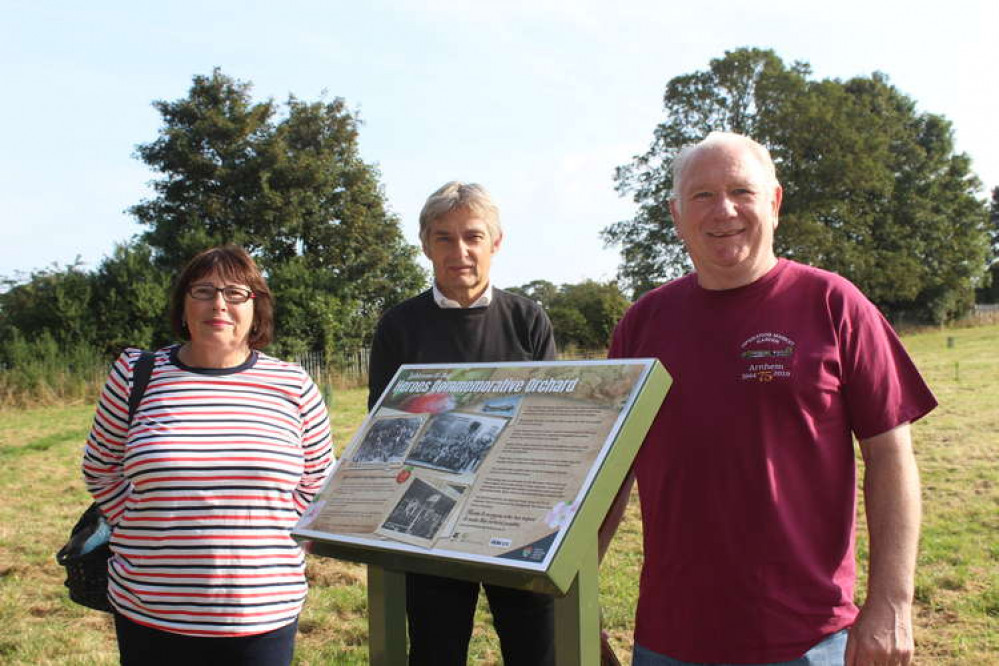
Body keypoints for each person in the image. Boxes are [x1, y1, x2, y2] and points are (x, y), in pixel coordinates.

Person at [605, 132, 937, 666]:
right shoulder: (642, 324)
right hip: (668, 640)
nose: (725, 210)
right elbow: (608, 476)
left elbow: (891, 457)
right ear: (675, 212)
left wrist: (893, 604)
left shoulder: (835, 304)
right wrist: (578, 603)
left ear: (775, 202)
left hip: (809, 640)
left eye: (742, 191)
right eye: (703, 195)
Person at [82, 245, 335, 666]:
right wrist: (137, 523)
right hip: (150, 609)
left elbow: (317, 482)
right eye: (203, 291)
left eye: (236, 293)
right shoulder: (135, 375)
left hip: (262, 614)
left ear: (257, 309)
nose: (219, 304)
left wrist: (266, 546)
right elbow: (100, 467)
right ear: (183, 305)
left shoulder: (293, 385)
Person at [367, 181, 557, 666]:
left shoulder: (528, 320)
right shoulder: (399, 326)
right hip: (430, 511)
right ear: (426, 244)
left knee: (535, 647)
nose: (460, 251)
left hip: (514, 516)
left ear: (495, 242)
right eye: (444, 238)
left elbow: (549, 425)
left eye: (473, 236)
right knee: (435, 649)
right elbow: (383, 428)